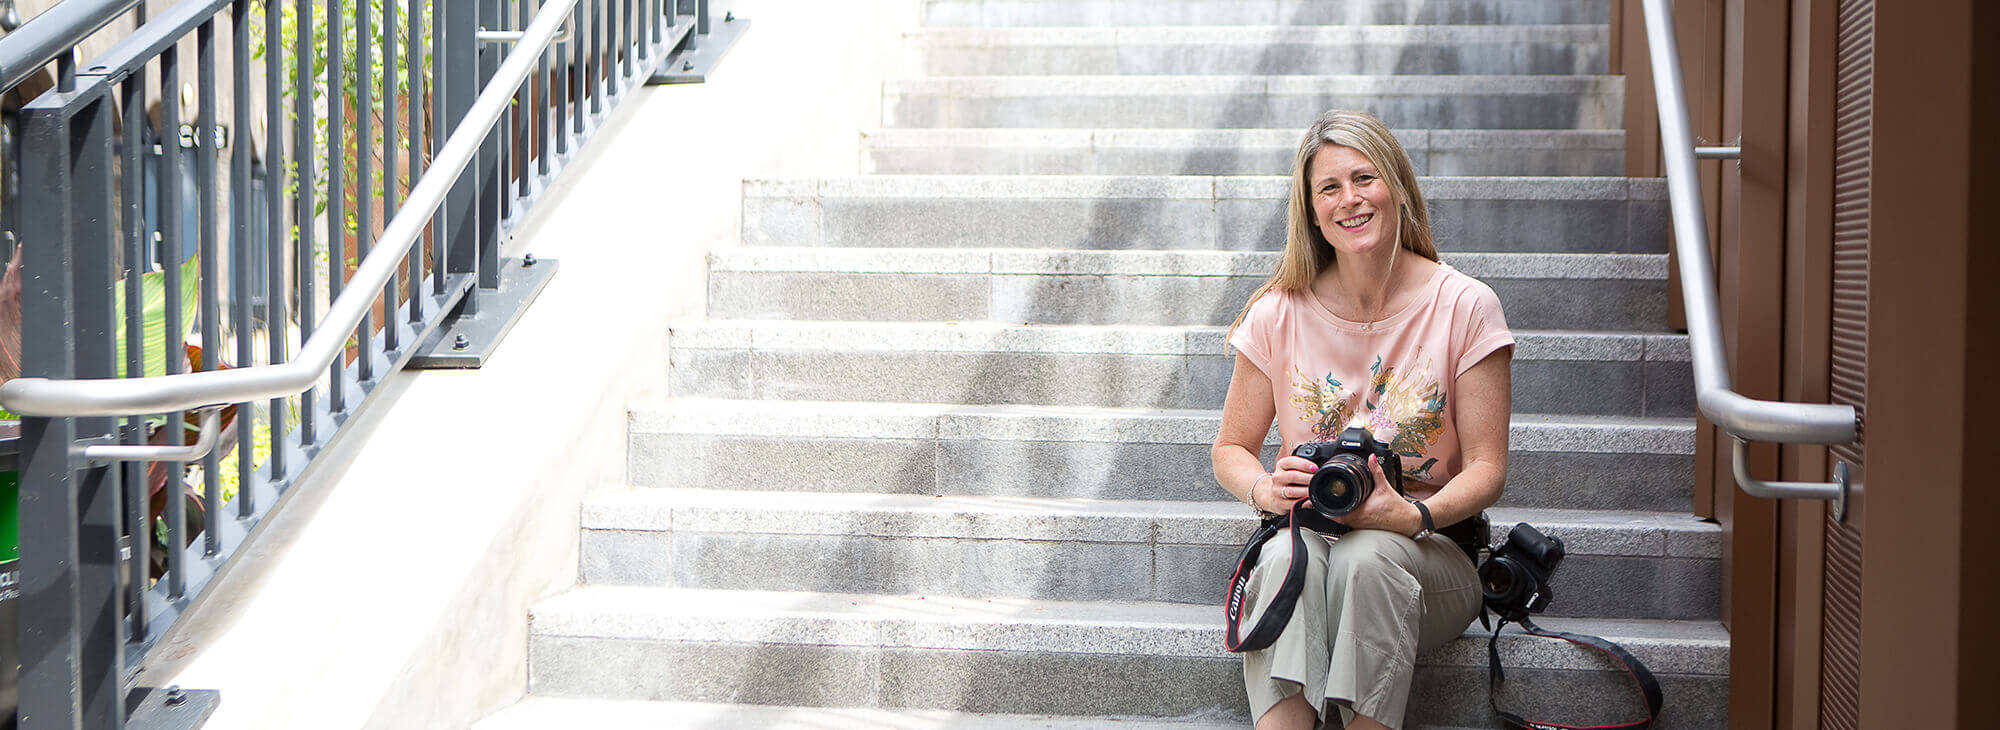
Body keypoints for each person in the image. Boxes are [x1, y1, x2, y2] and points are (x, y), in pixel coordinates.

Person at [1211, 109, 1514, 730]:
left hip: (1429, 552)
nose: (1349, 199)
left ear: (1397, 186)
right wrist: (1264, 488)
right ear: (1312, 210)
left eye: (1364, 178)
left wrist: (1415, 513)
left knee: (1367, 558)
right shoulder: (1277, 312)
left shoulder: (1465, 306)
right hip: (1314, 542)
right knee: (1284, 557)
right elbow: (1231, 449)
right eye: (1329, 188)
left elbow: (1487, 468)